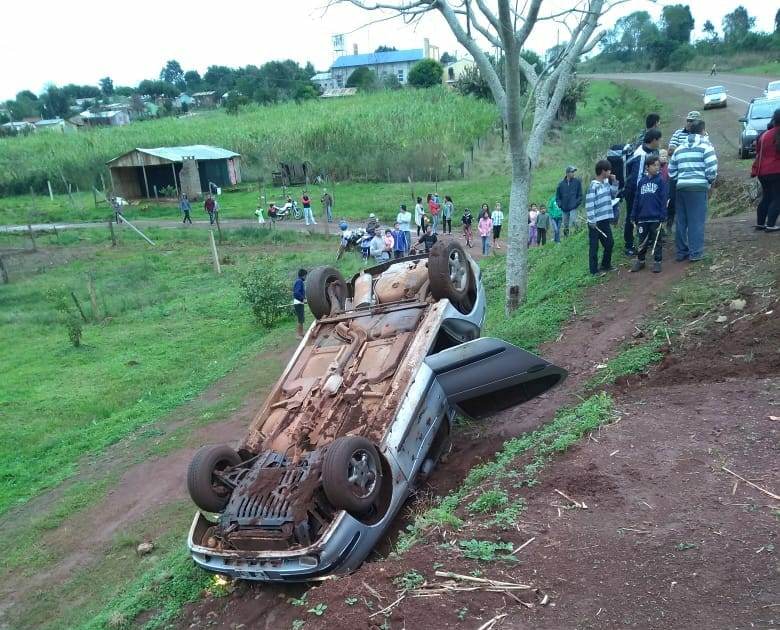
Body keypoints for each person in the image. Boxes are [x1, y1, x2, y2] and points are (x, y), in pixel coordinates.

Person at [668, 119, 718, 262]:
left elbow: (671, 171)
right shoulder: (706, 147)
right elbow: (712, 169)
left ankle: (681, 252)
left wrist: (681, 179)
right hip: (698, 188)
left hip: (681, 187)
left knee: (681, 221)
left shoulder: (679, 148)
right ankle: (696, 253)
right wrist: (708, 181)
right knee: (696, 221)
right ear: (703, 131)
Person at [624, 129, 662, 256]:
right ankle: (629, 245)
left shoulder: (651, 152)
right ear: (653, 140)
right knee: (632, 216)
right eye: (659, 140)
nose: (660, 142)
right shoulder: (640, 154)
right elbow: (637, 178)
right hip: (634, 191)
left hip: (645, 189)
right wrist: (640, 195)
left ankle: (647, 240)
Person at [630, 156, 668, 273]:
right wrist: (633, 215)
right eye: (654, 165)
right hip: (642, 217)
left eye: (658, 165)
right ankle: (641, 260)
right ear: (647, 167)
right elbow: (636, 199)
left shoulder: (660, 181)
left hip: (655, 217)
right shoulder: (642, 182)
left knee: (657, 240)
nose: (657, 167)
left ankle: (657, 262)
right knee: (642, 240)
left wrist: (663, 215)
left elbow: (663, 199)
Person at [585, 160, 618, 275]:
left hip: (604, 220)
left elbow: (613, 195)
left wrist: (614, 182)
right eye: (608, 170)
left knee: (609, 243)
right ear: (603, 171)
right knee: (594, 247)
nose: (610, 172)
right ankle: (594, 271)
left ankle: (606, 264)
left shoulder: (606, 183)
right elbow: (589, 204)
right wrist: (592, 220)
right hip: (595, 222)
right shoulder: (593, 186)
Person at [750, 108, 780, 232]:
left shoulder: (765, 134)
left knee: (767, 197)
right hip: (777, 170)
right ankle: (771, 225)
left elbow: (757, 151)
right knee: (778, 198)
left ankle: (760, 224)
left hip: (762, 171)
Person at [556, 165, 583, 236]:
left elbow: (580, 194)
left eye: (574, 172)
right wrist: (560, 204)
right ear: (567, 173)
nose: (573, 173)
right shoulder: (561, 184)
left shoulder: (577, 182)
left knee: (574, 221)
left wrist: (576, 203)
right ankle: (566, 238)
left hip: (573, 207)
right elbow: (557, 196)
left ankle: (577, 235)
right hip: (564, 208)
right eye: (572, 172)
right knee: (565, 225)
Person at [293, 269, 307, 338]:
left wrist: (304, 298)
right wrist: (302, 299)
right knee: (300, 319)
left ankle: (301, 333)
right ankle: (298, 335)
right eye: (305, 276)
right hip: (298, 303)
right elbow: (296, 293)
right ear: (303, 275)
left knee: (301, 319)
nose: (306, 277)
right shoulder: (299, 281)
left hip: (299, 302)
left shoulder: (299, 281)